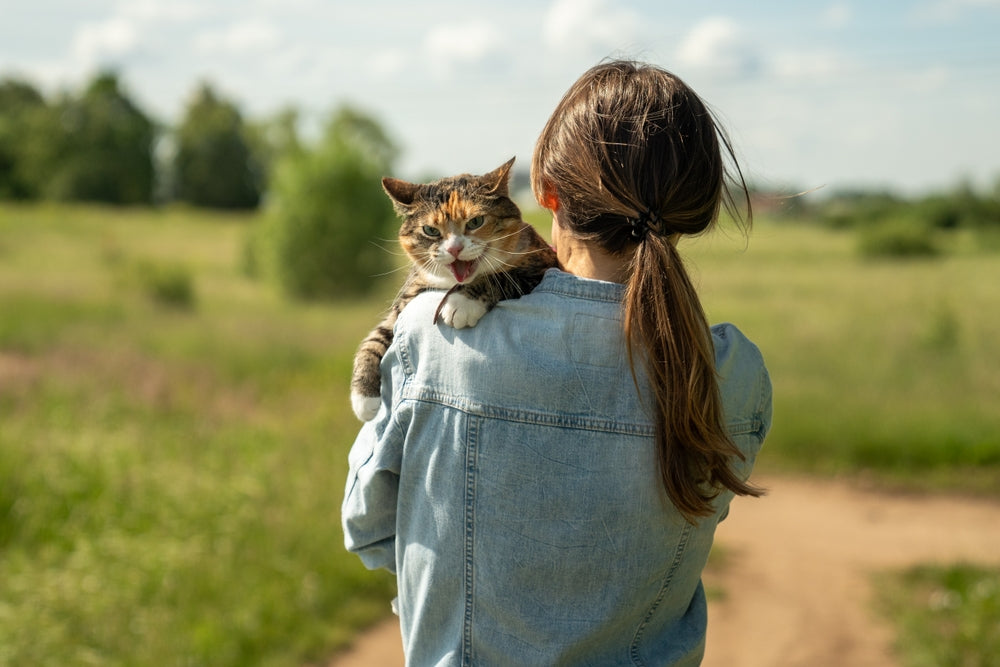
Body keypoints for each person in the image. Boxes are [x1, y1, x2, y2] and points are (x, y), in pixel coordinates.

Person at [342, 60, 772, 666]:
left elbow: (367, 527)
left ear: (547, 195)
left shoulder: (432, 337)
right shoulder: (731, 370)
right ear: (694, 212)